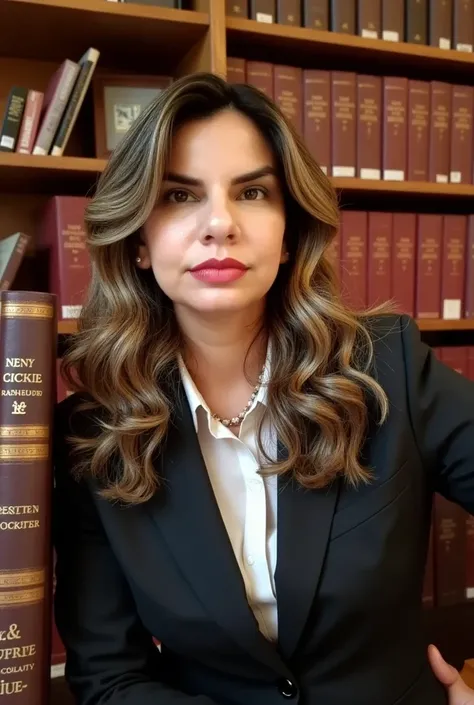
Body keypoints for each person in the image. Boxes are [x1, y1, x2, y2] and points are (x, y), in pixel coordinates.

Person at [53, 71, 474, 705]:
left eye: (251, 192)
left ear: (288, 234)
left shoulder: (389, 367)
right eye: (177, 195)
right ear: (139, 241)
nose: (219, 223)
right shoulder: (94, 434)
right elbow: (110, 680)